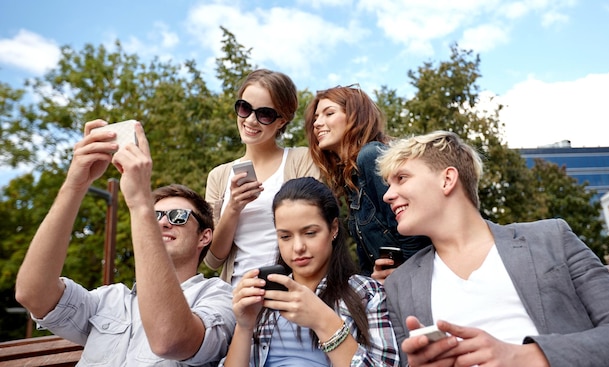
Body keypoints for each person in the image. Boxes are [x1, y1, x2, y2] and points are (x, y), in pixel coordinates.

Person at [377, 130, 609, 367]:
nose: (388, 195)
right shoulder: (399, 285)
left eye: (402, 178)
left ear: (447, 179)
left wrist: (530, 356)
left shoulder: (551, 238)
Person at [15, 120, 236, 366]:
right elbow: (32, 293)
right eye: (155, 216)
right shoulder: (109, 299)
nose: (163, 223)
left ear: (204, 236)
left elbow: (169, 340)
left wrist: (141, 203)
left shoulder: (219, 296)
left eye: (178, 217)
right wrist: (75, 185)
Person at [221, 177, 399, 367]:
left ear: (334, 229)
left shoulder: (366, 292)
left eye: (310, 233)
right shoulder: (263, 300)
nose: (298, 247)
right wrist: (244, 326)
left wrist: (323, 321)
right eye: (285, 236)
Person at [205, 69, 320, 286]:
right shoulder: (218, 176)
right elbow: (212, 260)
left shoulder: (302, 160)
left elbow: (318, 231)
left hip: (291, 291)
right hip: (236, 295)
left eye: (264, 114)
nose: (250, 120)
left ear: (281, 121)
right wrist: (233, 208)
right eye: (244, 108)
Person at [304, 85, 429, 280]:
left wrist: (407, 274)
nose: (317, 123)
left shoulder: (370, 157)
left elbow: (414, 230)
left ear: (355, 117)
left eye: (329, 113)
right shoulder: (349, 179)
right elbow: (367, 260)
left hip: (416, 281)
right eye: (316, 117)